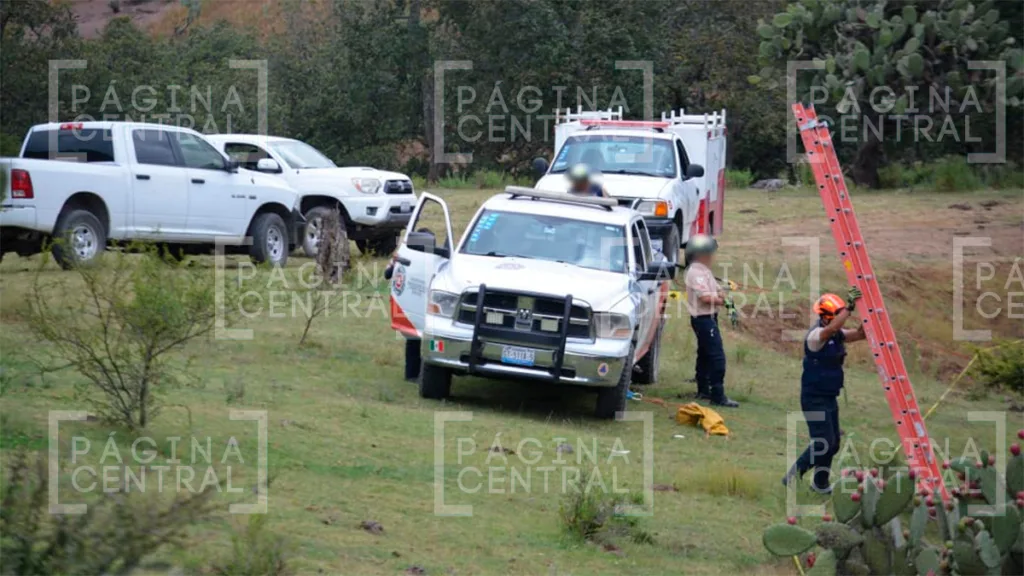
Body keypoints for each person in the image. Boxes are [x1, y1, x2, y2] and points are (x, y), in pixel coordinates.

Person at [783, 286, 865, 494]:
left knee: (834, 442)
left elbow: (857, 335)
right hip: (813, 397)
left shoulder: (836, 333)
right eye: (838, 315)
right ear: (827, 317)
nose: (841, 319)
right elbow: (830, 331)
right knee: (823, 442)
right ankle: (791, 477)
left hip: (829, 396)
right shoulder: (817, 335)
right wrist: (848, 309)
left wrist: (868, 315)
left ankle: (820, 483)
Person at [683, 234, 739, 408]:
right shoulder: (695, 272)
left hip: (708, 317)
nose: (712, 257)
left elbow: (717, 291)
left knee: (705, 354)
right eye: (709, 253)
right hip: (703, 319)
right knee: (717, 357)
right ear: (701, 254)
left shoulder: (704, 271)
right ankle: (717, 394)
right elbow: (706, 297)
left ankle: (703, 390)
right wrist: (725, 301)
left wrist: (721, 296)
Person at [384, 227, 437, 382]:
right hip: (413, 301)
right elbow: (388, 274)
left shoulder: (431, 258)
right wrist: (395, 262)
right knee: (413, 339)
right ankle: (412, 373)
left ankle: (423, 372)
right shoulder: (405, 256)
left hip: (426, 302)